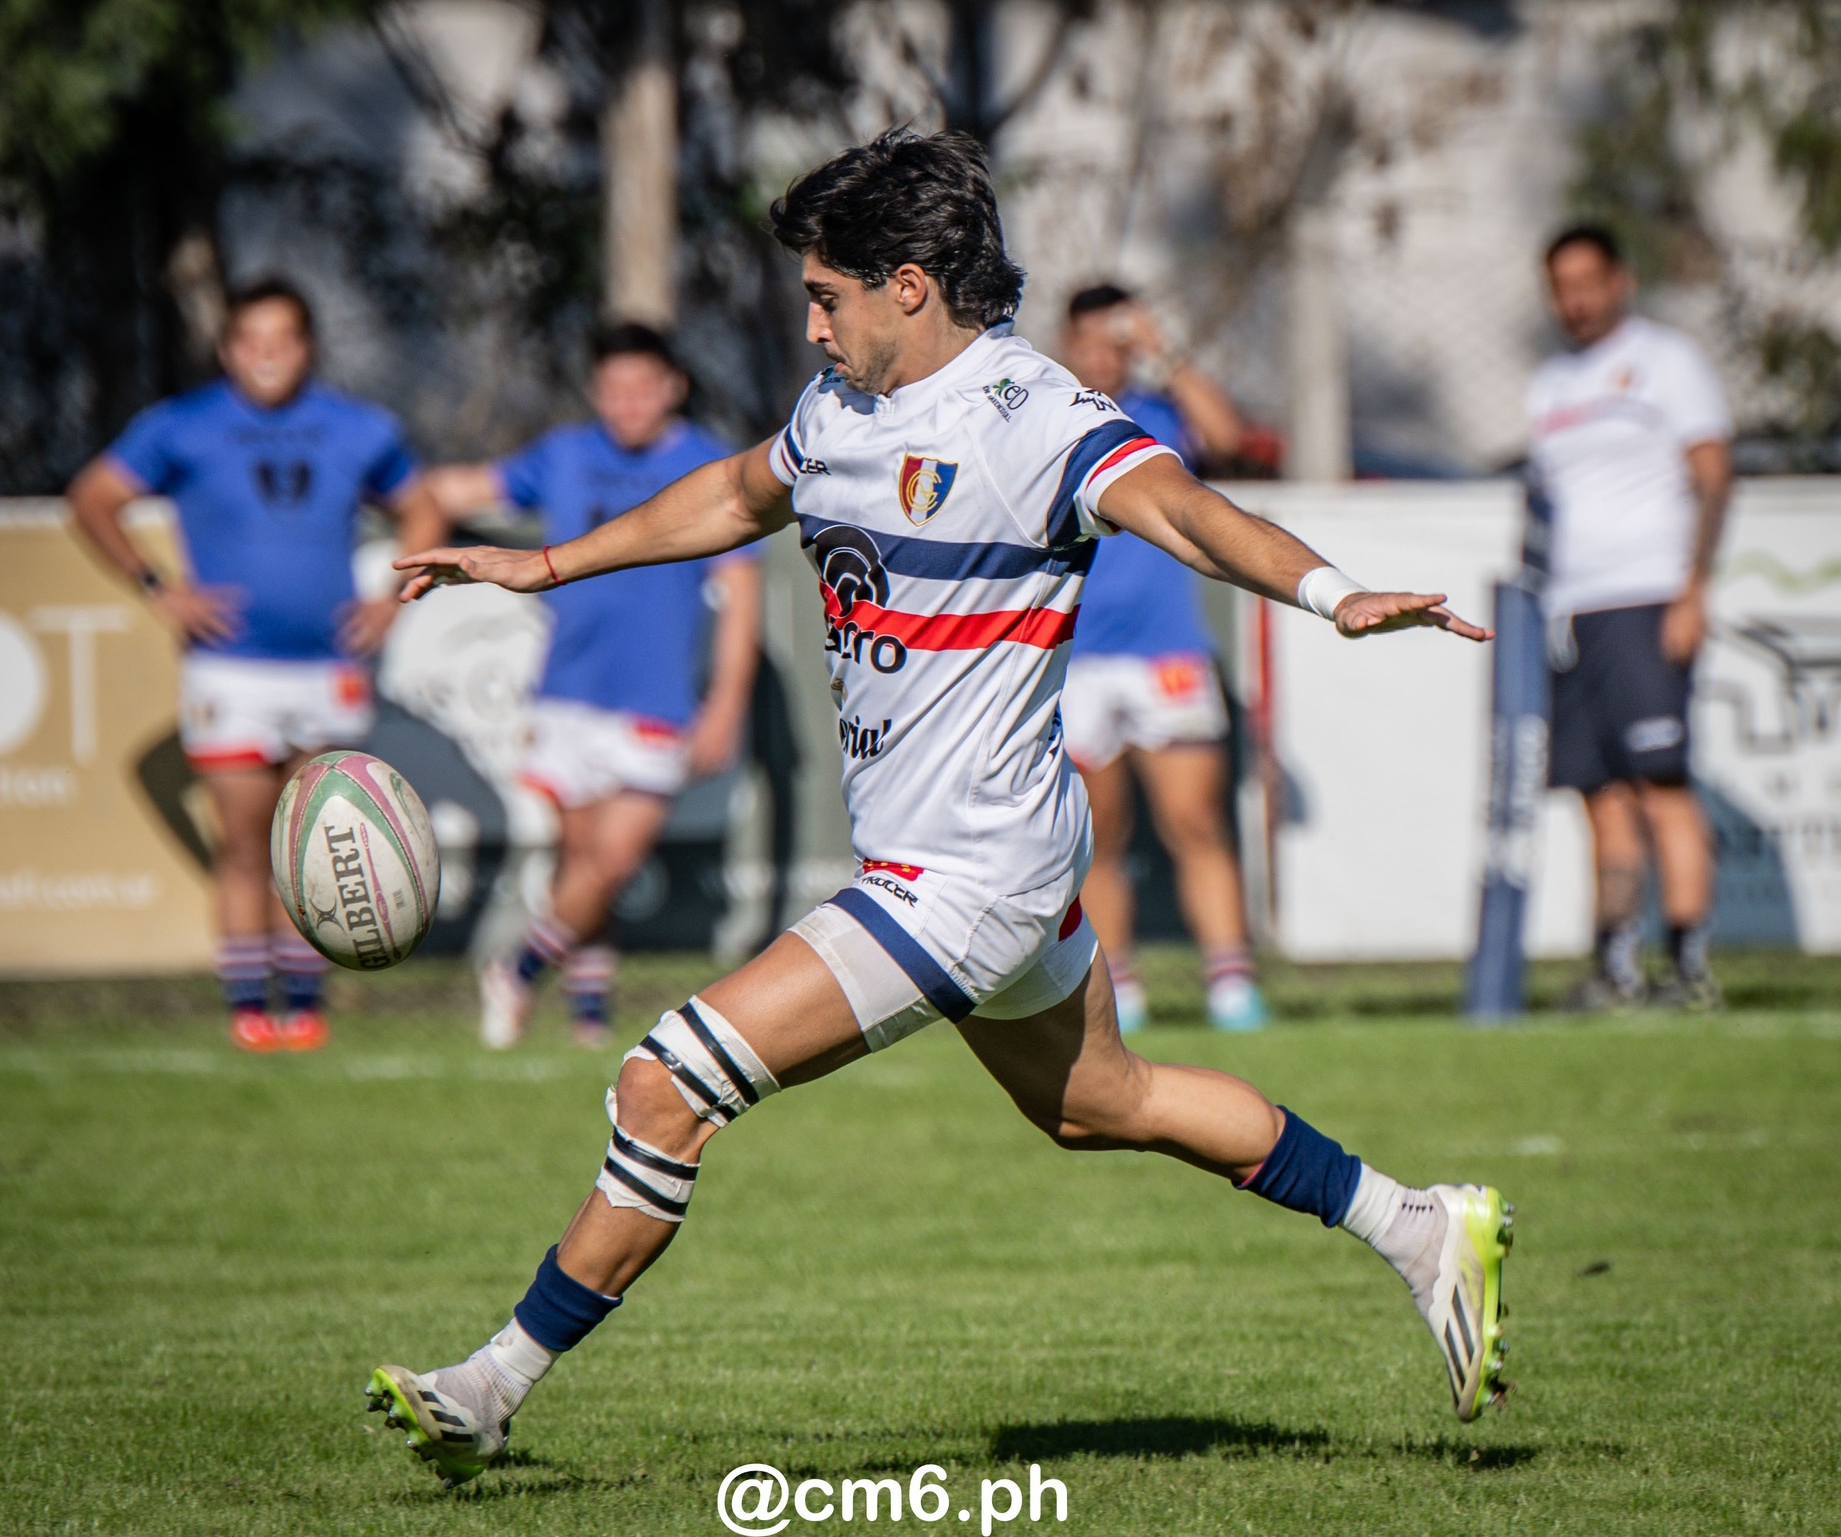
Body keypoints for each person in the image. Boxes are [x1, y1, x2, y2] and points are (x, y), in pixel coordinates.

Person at [367, 130, 1511, 1489]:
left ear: (909, 286)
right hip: (985, 858)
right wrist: (548, 563)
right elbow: (736, 493)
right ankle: (1422, 1225)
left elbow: (1190, 514)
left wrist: (1332, 593)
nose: (810, 322)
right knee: (1102, 1103)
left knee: (665, 1080)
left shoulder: (1040, 418)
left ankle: (490, 1385)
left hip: (968, 874)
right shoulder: (836, 414)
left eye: (826, 296)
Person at [68, 278, 446, 1052]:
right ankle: (249, 1010)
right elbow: (92, 498)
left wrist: (388, 599)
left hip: (327, 666)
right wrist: (158, 589)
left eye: (284, 340)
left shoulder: (356, 427)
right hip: (231, 669)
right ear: (227, 348)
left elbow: (425, 504)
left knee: (314, 843)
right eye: (252, 341)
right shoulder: (182, 425)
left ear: (308, 347)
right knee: (246, 841)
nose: (267, 356)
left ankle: (305, 1010)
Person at [423, 324, 761, 1049]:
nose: (627, 402)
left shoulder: (712, 468)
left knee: (614, 860)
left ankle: (514, 969)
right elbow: (446, 488)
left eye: (643, 386)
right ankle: (588, 1017)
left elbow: (740, 593)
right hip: (568, 691)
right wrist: (410, 521)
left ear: (673, 387)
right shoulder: (564, 454)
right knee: (583, 866)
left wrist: (727, 699)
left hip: (657, 697)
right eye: (613, 388)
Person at [1529, 224, 1732, 1011]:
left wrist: (1694, 590)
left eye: (1589, 281)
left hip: (1648, 598)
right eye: (1562, 286)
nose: (1576, 300)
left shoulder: (1667, 361)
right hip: (1570, 610)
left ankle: (1690, 968)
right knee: (1600, 794)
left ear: (1623, 281)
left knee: (1661, 786)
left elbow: (1713, 477)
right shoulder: (1548, 385)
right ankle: (1615, 968)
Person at [1058, 283, 1264, 1033]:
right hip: (1076, 658)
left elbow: (1230, 435)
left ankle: (1232, 984)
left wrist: (1164, 349)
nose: (1102, 355)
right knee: (1097, 832)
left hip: (1165, 652)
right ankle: (1124, 989)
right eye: (1088, 340)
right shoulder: (1051, 418)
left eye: (1117, 339)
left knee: (1194, 819)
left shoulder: (1163, 413)